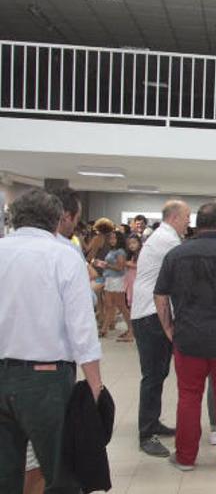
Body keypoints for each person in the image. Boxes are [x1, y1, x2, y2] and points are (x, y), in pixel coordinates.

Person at [0, 189, 104, 493]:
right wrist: (94, 384)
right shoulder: (63, 255)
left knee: (6, 472)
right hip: (45, 378)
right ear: (58, 219)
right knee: (60, 471)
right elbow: (81, 326)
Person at [154, 203, 216, 471]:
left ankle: (186, 457)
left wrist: (169, 330)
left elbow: (160, 296)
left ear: (196, 225)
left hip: (188, 338)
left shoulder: (176, 255)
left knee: (188, 396)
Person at [131, 200, 191, 457]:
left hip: (151, 313)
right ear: (175, 217)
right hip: (151, 315)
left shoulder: (163, 237)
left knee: (158, 374)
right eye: (187, 217)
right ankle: (147, 434)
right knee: (153, 376)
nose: (189, 222)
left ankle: (152, 422)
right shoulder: (168, 241)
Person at [101, 231, 134, 339]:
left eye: (114, 238)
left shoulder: (120, 252)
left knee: (121, 305)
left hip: (117, 279)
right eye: (111, 238)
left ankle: (130, 327)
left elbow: (120, 267)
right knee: (109, 305)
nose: (112, 240)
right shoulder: (113, 250)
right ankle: (104, 329)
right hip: (109, 279)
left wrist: (107, 265)